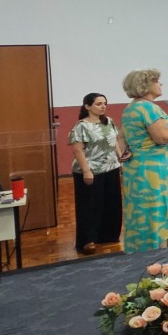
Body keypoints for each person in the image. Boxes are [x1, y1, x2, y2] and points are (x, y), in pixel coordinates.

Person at [118, 69, 168, 254]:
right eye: (157, 81)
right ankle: (157, 257)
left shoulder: (132, 107)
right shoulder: (148, 108)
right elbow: (163, 138)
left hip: (138, 168)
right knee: (156, 212)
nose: (160, 84)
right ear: (146, 85)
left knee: (142, 213)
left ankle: (142, 253)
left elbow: (122, 137)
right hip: (153, 171)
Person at [69, 92, 126, 253]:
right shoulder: (82, 126)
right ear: (87, 106)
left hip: (110, 168)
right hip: (90, 171)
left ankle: (108, 235)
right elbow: (77, 150)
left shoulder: (109, 121)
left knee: (112, 203)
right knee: (90, 206)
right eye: (98, 104)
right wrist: (87, 170)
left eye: (104, 103)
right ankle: (87, 240)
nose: (103, 106)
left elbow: (114, 140)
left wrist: (120, 159)